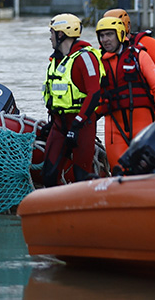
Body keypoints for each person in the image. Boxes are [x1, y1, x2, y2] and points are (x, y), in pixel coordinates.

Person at [95, 16, 155, 173]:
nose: (105, 39)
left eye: (109, 34)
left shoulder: (139, 56)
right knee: (118, 172)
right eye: (102, 36)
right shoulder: (98, 62)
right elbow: (95, 96)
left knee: (145, 170)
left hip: (143, 124)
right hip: (114, 128)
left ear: (120, 34)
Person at [41, 13, 102, 187]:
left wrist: (77, 124)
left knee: (82, 175)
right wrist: (51, 121)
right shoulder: (57, 61)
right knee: (48, 174)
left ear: (61, 34)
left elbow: (94, 94)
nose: (50, 37)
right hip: (59, 124)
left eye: (52, 32)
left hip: (82, 124)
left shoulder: (84, 58)